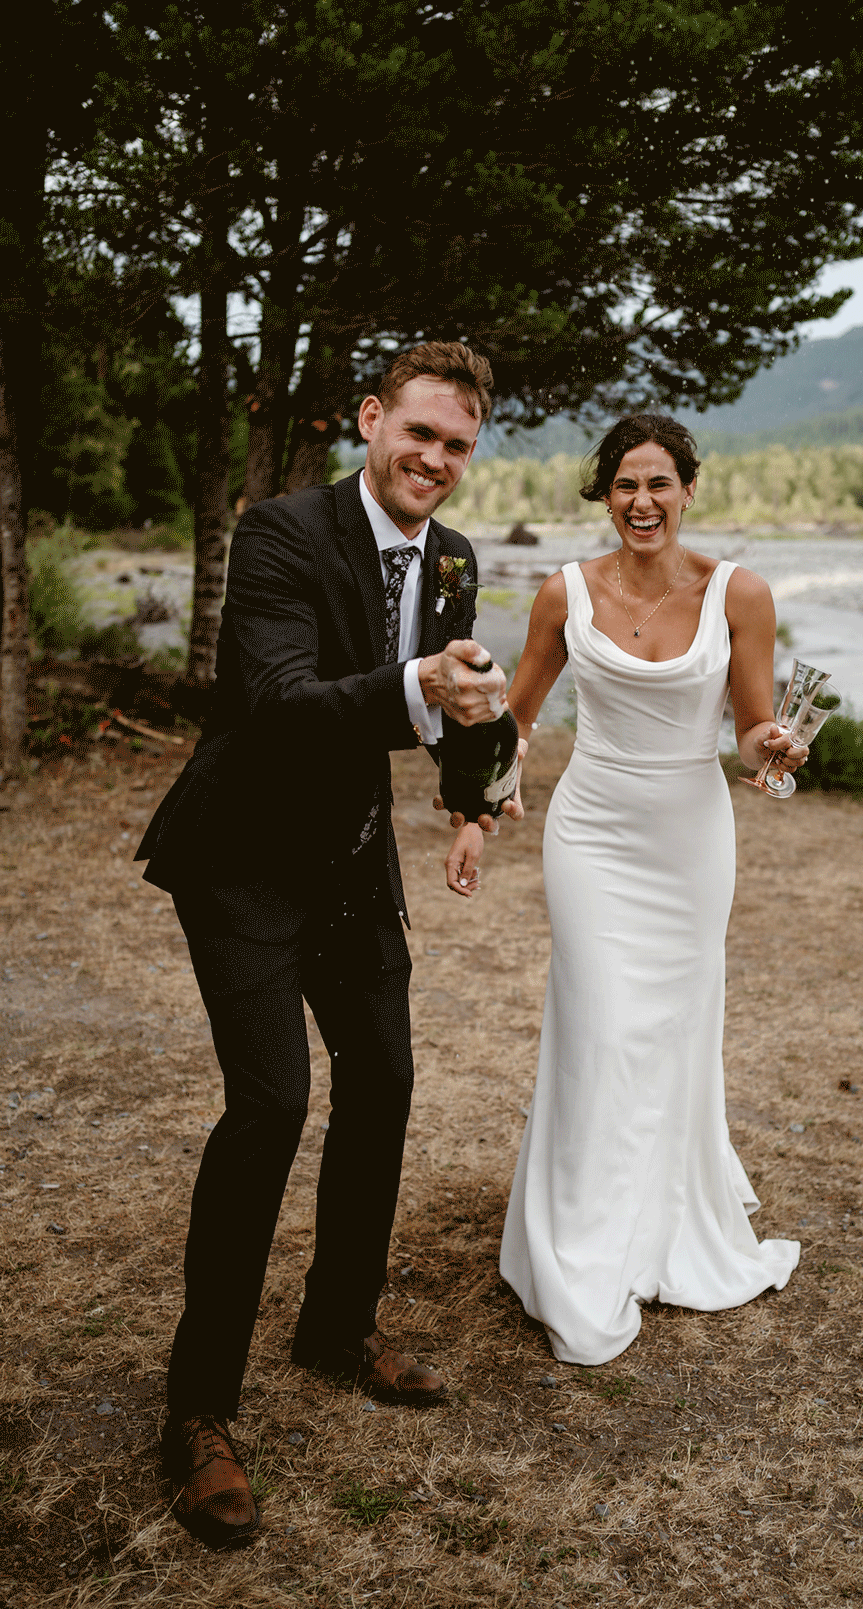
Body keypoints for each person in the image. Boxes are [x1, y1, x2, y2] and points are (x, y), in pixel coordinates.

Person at [135, 341, 518, 1548]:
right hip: (241, 859)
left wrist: (471, 793)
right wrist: (418, 683)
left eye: (457, 445)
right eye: (418, 435)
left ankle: (336, 1326)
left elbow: (451, 693)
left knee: (387, 1080)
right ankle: (197, 1411)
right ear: (370, 421)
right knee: (269, 1106)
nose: (435, 463)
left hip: (352, 863)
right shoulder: (282, 533)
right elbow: (285, 699)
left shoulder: (451, 558)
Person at [450, 412, 803, 1365]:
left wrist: (774, 750)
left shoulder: (743, 593)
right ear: (604, 494)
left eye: (658, 484)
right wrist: (478, 817)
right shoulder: (564, 591)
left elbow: (754, 732)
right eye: (623, 485)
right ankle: (579, 1240)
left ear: (689, 489)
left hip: (691, 837)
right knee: (601, 1024)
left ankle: (665, 1216)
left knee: (673, 1030)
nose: (641, 502)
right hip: (593, 832)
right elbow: (514, 725)